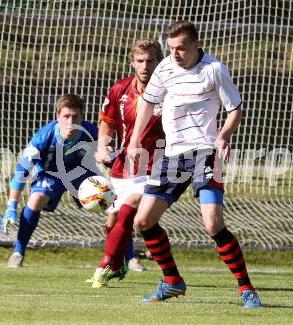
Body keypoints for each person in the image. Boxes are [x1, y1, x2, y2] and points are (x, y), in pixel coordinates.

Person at [127, 21, 262, 308]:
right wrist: (135, 142)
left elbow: (234, 108)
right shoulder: (164, 68)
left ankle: (246, 289)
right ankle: (172, 281)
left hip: (205, 152)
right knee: (143, 221)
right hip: (172, 155)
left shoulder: (215, 69)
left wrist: (223, 136)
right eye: (172, 48)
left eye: (181, 48)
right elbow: (147, 104)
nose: (175, 54)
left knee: (213, 224)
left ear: (196, 45)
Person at [88, 39, 165, 287]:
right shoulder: (120, 89)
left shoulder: (170, 90)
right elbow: (107, 122)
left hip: (158, 164)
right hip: (124, 166)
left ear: (159, 62)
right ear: (132, 62)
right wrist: (103, 145)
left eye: (150, 60)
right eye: (140, 61)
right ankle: (120, 263)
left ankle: (105, 266)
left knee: (130, 207)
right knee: (113, 222)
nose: (145, 66)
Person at [0, 94, 98, 268]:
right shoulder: (43, 136)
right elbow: (21, 171)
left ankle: (126, 258)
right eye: (66, 116)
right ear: (57, 117)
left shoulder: (91, 132)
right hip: (49, 174)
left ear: (82, 117)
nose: (70, 121)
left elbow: (109, 157)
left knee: (112, 203)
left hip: (79, 175)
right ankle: (18, 252)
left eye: (75, 116)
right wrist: (11, 206)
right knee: (36, 199)